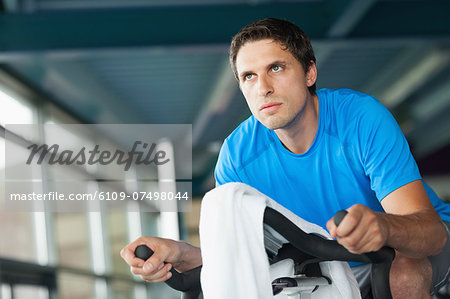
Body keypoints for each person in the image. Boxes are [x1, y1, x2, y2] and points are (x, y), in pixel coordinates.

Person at [120, 18, 450, 298]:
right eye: (249, 76)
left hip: (420, 249)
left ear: (309, 73)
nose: (262, 87)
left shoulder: (361, 119)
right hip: (330, 270)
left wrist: (383, 226)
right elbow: (238, 260)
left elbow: (431, 234)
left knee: (403, 270)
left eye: (276, 68)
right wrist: (180, 253)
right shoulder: (237, 157)